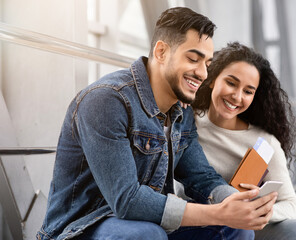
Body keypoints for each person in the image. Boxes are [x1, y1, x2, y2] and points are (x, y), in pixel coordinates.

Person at [37, 8, 277, 240]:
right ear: (161, 52)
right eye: (193, 59)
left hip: (149, 227)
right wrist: (217, 213)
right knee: (147, 234)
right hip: (82, 228)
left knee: (235, 230)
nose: (203, 73)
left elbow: (201, 177)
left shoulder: (182, 113)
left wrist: (234, 202)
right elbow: (127, 201)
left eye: (208, 64)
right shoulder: (106, 100)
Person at [190, 42, 296, 240]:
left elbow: (291, 204)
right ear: (212, 79)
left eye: (248, 91)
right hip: (197, 224)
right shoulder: (185, 124)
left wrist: (260, 212)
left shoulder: (264, 142)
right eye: (231, 83)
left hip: (247, 225)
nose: (236, 96)